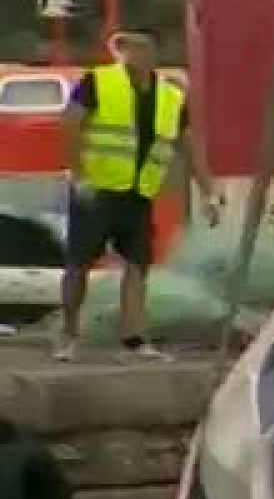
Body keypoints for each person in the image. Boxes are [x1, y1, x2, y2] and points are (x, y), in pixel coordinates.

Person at [55, 27, 223, 364]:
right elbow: (71, 123)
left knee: (137, 266)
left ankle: (134, 340)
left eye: (142, 47)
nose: (134, 53)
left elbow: (188, 145)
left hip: (138, 193)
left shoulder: (170, 96)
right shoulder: (99, 82)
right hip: (98, 190)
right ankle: (68, 333)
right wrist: (79, 175)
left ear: (154, 52)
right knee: (79, 264)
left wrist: (209, 192)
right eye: (127, 47)